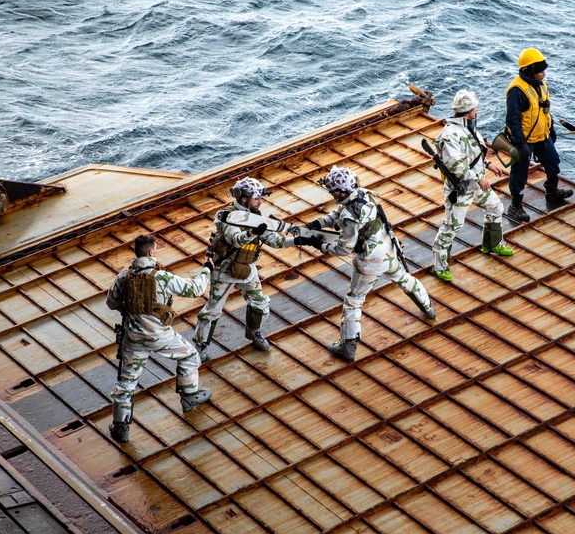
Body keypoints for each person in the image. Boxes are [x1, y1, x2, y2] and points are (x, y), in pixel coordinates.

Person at [299, 166, 435, 361]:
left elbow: (343, 248)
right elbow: (338, 213)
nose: (332, 194)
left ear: (342, 190)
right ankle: (428, 308)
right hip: (388, 250)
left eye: (334, 191)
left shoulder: (349, 216)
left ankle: (348, 347)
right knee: (404, 278)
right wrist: (319, 224)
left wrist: (321, 246)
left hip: (370, 261)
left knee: (354, 300)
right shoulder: (363, 195)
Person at [107, 234, 213, 443]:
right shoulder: (162, 277)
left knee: (126, 381)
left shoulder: (123, 277)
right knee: (190, 356)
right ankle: (189, 397)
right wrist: (206, 270)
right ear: (152, 252)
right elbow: (195, 289)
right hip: (161, 336)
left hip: (133, 338)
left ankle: (121, 427)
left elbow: (111, 303)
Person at [193, 177, 297, 360]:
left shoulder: (256, 216)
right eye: (257, 198)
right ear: (243, 199)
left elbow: (275, 240)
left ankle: (254, 333)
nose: (260, 202)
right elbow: (236, 239)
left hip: (246, 268)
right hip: (224, 270)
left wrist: (297, 240)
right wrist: (253, 232)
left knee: (260, 304)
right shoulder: (226, 216)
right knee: (212, 311)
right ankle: (201, 346)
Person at [431, 89, 513, 282]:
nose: (477, 110)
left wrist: (488, 164)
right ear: (468, 111)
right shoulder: (451, 134)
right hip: (460, 189)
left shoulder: (468, 127)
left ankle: (491, 244)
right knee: (452, 227)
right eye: (475, 107)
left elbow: (473, 154)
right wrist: (479, 177)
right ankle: (439, 265)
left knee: (495, 206)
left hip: (475, 185)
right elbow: (456, 165)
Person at [504, 47, 574, 222]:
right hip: (525, 139)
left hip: (542, 135)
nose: (544, 73)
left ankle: (552, 192)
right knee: (519, 173)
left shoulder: (541, 84)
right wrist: (521, 144)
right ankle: (515, 205)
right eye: (540, 70)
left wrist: (550, 130)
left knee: (553, 162)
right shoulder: (517, 91)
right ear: (530, 70)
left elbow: (543, 110)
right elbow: (512, 120)